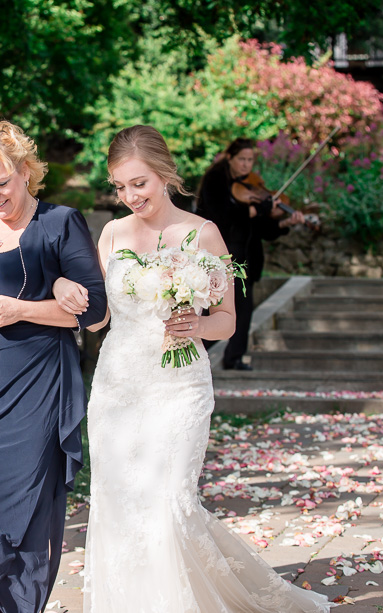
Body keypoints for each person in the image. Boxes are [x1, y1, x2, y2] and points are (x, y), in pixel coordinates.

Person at [56, 125, 330, 612]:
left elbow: (226, 320)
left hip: (178, 385)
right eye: (119, 186)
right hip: (119, 385)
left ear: (164, 174)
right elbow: (98, 317)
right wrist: (63, 288)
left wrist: (194, 327)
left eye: (138, 183)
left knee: (168, 504)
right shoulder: (112, 233)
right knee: (119, 501)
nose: (129, 196)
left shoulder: (203, 233)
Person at [0, 121, 106, 612]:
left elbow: (93, 313)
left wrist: (24, 307)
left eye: (1, 183)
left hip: (33, 387)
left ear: (27, 171)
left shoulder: (59, 223)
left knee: (25, 506)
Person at [196, 138, 304, 370]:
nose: (246, 165)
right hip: (219, 256)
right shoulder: (216, 180)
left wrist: (283, 223)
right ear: (230, 158)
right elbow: (219, 218)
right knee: (208, 307)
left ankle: (234, 357)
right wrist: (254, 210)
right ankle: (195, 355)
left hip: (246, 257)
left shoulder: (251, 187)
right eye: (242, 160)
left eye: (250, 160)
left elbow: (263, 230)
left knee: (243, 310)